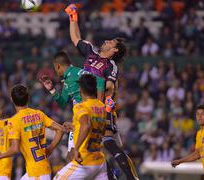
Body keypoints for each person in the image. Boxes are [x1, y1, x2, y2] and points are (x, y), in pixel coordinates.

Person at [65, 4, 138, 180]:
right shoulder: (91, 52)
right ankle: (109, 175)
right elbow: (76, 38)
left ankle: (131, 177)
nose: (107, 40)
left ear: (114, 51)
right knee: (81, 150)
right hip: (83, 106)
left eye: (112, 42)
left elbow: (111, 87)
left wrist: (90, 83)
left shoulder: (110, 65)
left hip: (101, 108)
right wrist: (73, 18)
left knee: (108, 142)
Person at [39, 51, 105, 158]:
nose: (55, 70)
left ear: (58, 66)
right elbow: (63, 103)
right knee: (74, 156)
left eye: (55, 68)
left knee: (73, 156)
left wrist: (98, 105)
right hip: (78, 121)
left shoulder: (76, 73)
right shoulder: (67, 80)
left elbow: (100, 82)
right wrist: (52, 90)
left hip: (86, 121)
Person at [0, 84, 65, 180]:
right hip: (41, 168)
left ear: (11, 99)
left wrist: (0, 155)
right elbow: (60, 129)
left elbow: (15, 149)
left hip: (36, 173)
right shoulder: (39, 114)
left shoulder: (15, 121)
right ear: (28, 98)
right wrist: (50, 148)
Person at [54, 74, 107, 179]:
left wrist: (76, 148)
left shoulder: (80, 106)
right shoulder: (102, 107)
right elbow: (95, 127)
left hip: (84, 160)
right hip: (99, 161)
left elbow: (86, 126)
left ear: (81, 89)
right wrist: (75, 126)